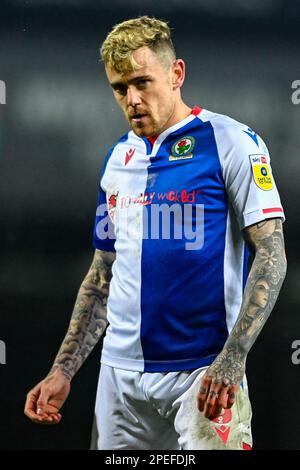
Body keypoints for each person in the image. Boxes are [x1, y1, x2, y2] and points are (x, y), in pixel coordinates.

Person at [24, 16, 287, 450]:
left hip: (203, 373)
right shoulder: (117, 159)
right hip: (119, 379)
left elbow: (272, 254)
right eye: (119, 88)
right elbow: (102, 276)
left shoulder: (232, 142)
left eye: (143, 82)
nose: (132, 99)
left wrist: (234, 356)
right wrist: (62, 370)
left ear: (176, 74)